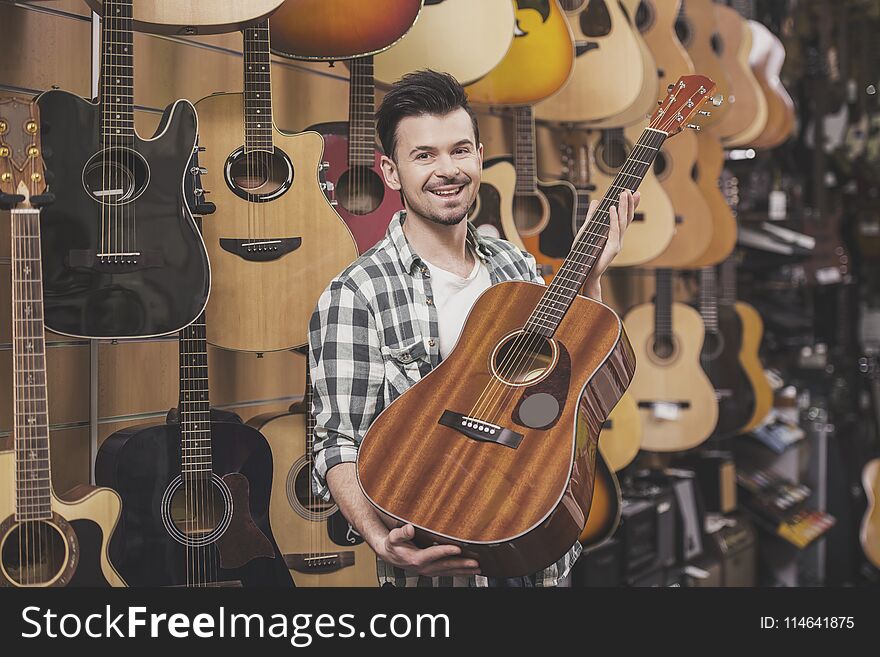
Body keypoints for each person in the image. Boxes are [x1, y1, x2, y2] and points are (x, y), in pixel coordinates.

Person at [308, 70, 639, 587]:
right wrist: (378, 537)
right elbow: (336, 440)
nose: (447, 170)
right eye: (425, 156)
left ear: (480, 156)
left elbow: (576, 373)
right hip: (434, 570)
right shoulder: (356, 293)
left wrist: (592, 277)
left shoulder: (515, 266)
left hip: (540, 557)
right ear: (391, 172)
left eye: (460, 150)